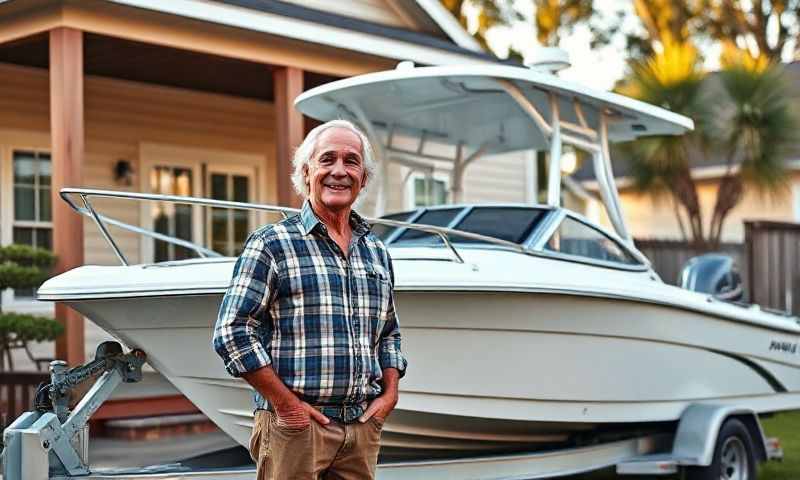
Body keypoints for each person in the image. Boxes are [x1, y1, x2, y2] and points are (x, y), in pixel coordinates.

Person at [212, 119, 407, 480]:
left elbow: (389, 333)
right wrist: (287, 407)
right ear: (306, 172)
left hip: (361, 427)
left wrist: (389, 395)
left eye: (351, 161)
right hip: (295, 427)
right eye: (327, 159)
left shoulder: (377, 251)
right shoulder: (271, 243)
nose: (339, 171)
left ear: (363, 178)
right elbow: (232, 332)